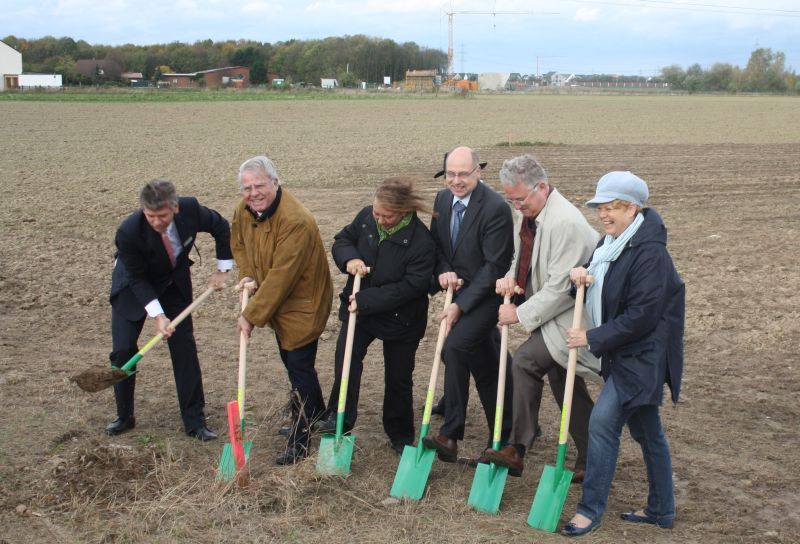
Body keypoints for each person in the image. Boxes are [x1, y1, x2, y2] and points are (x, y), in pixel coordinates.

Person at [561, 171, 684, 536]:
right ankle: (662, 509)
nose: (603, 214)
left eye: (611, 207)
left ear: (633, 208)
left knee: (602, 424)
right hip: (623, 355)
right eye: (601, 207)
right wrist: (578, 280)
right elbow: (600, 286)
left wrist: (592, 337)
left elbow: (642, 316)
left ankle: (589, 509)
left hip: (642, 357)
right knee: (649, 434)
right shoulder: (612, 244)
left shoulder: (650, 254)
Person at [483, 155, 601, 481]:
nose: (517, 206)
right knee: (564, 379)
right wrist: (509, 278)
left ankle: (516, 448)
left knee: (524, 362)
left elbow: (561, 287)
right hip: (553, 315)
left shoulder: (567, 224)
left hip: (575, 316)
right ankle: (594, 456)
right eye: (511, 200)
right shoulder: (531, 213)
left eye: (520, 199)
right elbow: (523, 256)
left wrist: (518, 314)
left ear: (543, 187)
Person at [315, 177, 436, 454]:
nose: (379, 219)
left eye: (387, 216)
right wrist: (350, 259)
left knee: (398, 377)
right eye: (376, 212)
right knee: (346, 360)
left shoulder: (421, 242)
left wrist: (366, 299)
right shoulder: (366, 219)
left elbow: (412, 286)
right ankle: (339, 417)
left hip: (402, 316)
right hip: (361, 311)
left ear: (404, 211)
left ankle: (400, 433)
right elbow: (343, 239)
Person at [107, 179, 232, 441]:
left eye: (162, 216)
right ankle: (124, 416)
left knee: (183, 346)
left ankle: (195, 421)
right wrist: (158, 315)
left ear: (174, 207)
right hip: (133, 286)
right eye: (150, 216)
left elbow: (221, 227)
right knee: (123, 348)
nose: (156, 222)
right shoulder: (128, 232)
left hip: (173, 283)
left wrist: (222, 269)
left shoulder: (191, 209)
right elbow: (136, 278)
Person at [230, 155, 333, 466]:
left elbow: (282, 277)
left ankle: (299, 442)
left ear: (275, 183)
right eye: (247, 187)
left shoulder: (296, 221)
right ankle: (317, 415)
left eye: (259, 185)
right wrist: (247, 273)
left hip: (304, 304)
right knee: (293, 364)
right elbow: (239, 243)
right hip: (277, 304)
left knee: (299, 369)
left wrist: (250, 316)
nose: (253, 193)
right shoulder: (245, 209)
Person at [421, 146, 515, 461]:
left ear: (478, 172)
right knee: (488, 364)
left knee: (455, 348)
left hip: (487, 295)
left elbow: (494, 266)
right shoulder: (442, 200)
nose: (457, 181)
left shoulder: (495, 208)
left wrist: (461, 306)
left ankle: (450, 433)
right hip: (458, 290)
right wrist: (444, 270)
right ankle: (502, 435)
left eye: (464, 174)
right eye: (451, 174)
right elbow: (438, 245)